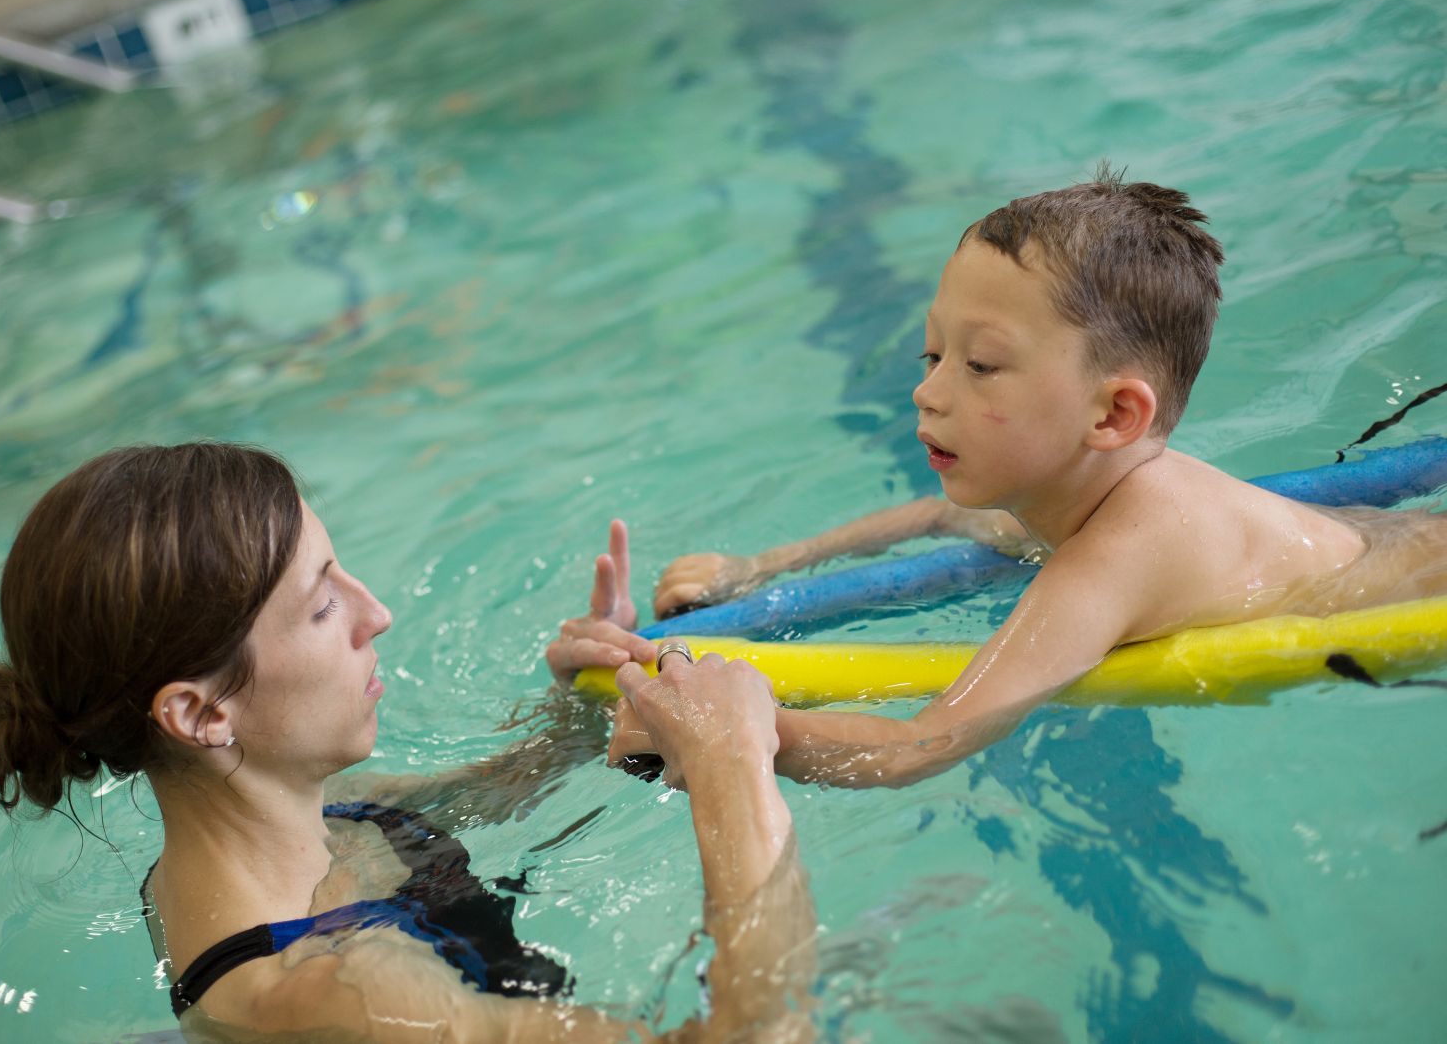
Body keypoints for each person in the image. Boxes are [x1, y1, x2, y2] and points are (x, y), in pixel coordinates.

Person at [615, 167, 1447, 789]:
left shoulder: (1121, 550)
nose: (928, 390)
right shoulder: (1074, 493)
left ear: (1115, 415)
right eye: (932, 353)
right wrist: (756, 568)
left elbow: (925, 744)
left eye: (980, 364)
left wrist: (737, 733)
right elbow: (933, 519)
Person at [0, 443, 814, 1042]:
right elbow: (761, 1032)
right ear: (200, 716)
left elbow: (505, 787)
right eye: (322, 604)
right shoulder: (348, 993)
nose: (376, 613)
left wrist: (586, 707)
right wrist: (733, 763)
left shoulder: (301, 818)